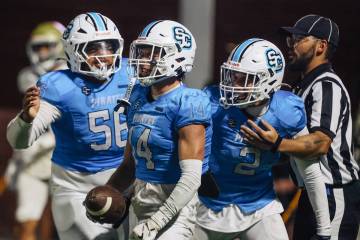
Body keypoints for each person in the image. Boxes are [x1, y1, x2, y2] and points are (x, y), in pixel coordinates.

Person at [6, 12, 129, 240]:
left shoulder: (131, 74)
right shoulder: (58, 86)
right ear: (73, 50)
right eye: (93, 49)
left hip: (129, 176)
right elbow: (18, 140)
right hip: (77, 184)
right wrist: (26, 119)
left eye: (109, 46)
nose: (103, 55)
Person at [86, 20, 212, 240]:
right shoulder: (137, 97)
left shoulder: (189, 102)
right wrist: (108, 193)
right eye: (141, 52)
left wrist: (157, 222)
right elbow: (131, 163)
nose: (141, 60)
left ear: (177, 57)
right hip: (141, 202)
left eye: (151, 54)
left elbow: (192, 177)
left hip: (177, 207)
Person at [193, 38, 330, 240]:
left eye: (243, 78)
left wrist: (324, 230)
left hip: (259, 206)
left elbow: (310, 170)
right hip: (207, 205)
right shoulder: (212, 102)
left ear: (268, 80)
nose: (233, 84)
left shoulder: (286, 110)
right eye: (232, 75)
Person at [241, 15, 360, 240]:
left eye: (299, 39)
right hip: (312, 191)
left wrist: (277, 143)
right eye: (291, 39)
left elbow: (320, 143)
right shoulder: (301, 87)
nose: (291, 45)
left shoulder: (326, 86)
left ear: (321, 46)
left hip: (335, 192)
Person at [4, 21, 66, 240]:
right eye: (38, 47)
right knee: (26, 221)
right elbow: (28, 121)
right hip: (33, 159)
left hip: (64, 158)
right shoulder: (28, 76)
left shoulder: (73, 77)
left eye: (46, 47)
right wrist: (15, 162)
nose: (41, 53)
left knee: (68, 224)